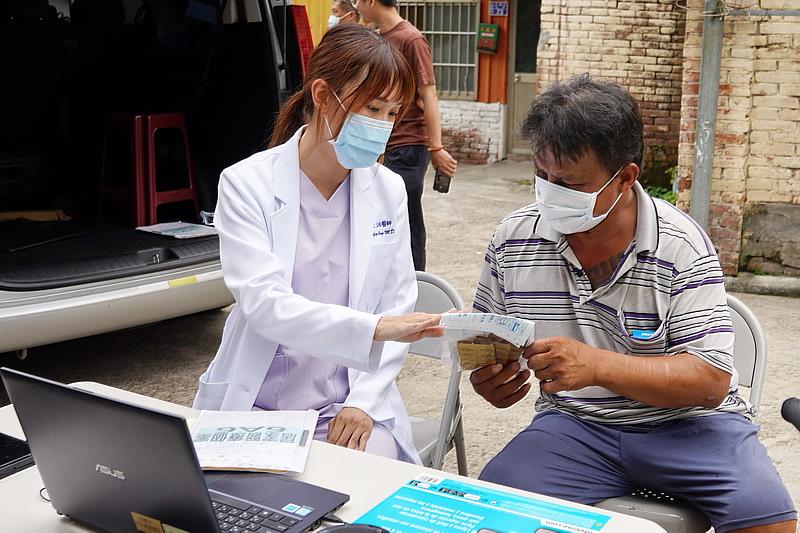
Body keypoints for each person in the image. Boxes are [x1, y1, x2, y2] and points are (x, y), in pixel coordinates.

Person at [469, 75, 797, 533]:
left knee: (769, 522)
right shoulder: (514, 239)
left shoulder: (680, 244)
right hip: (575, 424)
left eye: (568, 183)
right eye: (541, 176)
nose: (549, 194)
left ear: (625, 177)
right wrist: (493, 381)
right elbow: (491, 339)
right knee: (492, 513)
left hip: (691, 426)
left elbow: (710, 381)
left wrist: (597, 366)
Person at [193, 24, 443, 464]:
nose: (382, 127)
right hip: (255, 405)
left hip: (344, 405)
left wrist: (364, 402)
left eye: (392, 114)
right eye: (372, 109)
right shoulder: (246, 184)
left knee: (359, 490)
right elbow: (265, 305)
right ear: (324, 95)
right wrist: (376, 327)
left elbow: (397, 299)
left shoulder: (386, 189)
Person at [355, 0, 457, 272]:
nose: (356, 7)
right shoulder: (377, 39)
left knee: (406, 219)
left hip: (409, 144)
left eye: (357, 1)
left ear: (371, 1)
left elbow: (429, 94)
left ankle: (416, 285)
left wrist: (436, 148)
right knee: (384, 219)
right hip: (385, 144)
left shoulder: (411, 39)